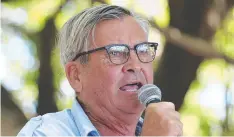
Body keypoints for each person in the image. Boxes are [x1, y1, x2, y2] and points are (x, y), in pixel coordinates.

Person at [17, 4, 183, 136]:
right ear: (76, 76)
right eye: (116, 52)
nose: (136, 65)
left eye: (143, 50)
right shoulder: (45, 133)